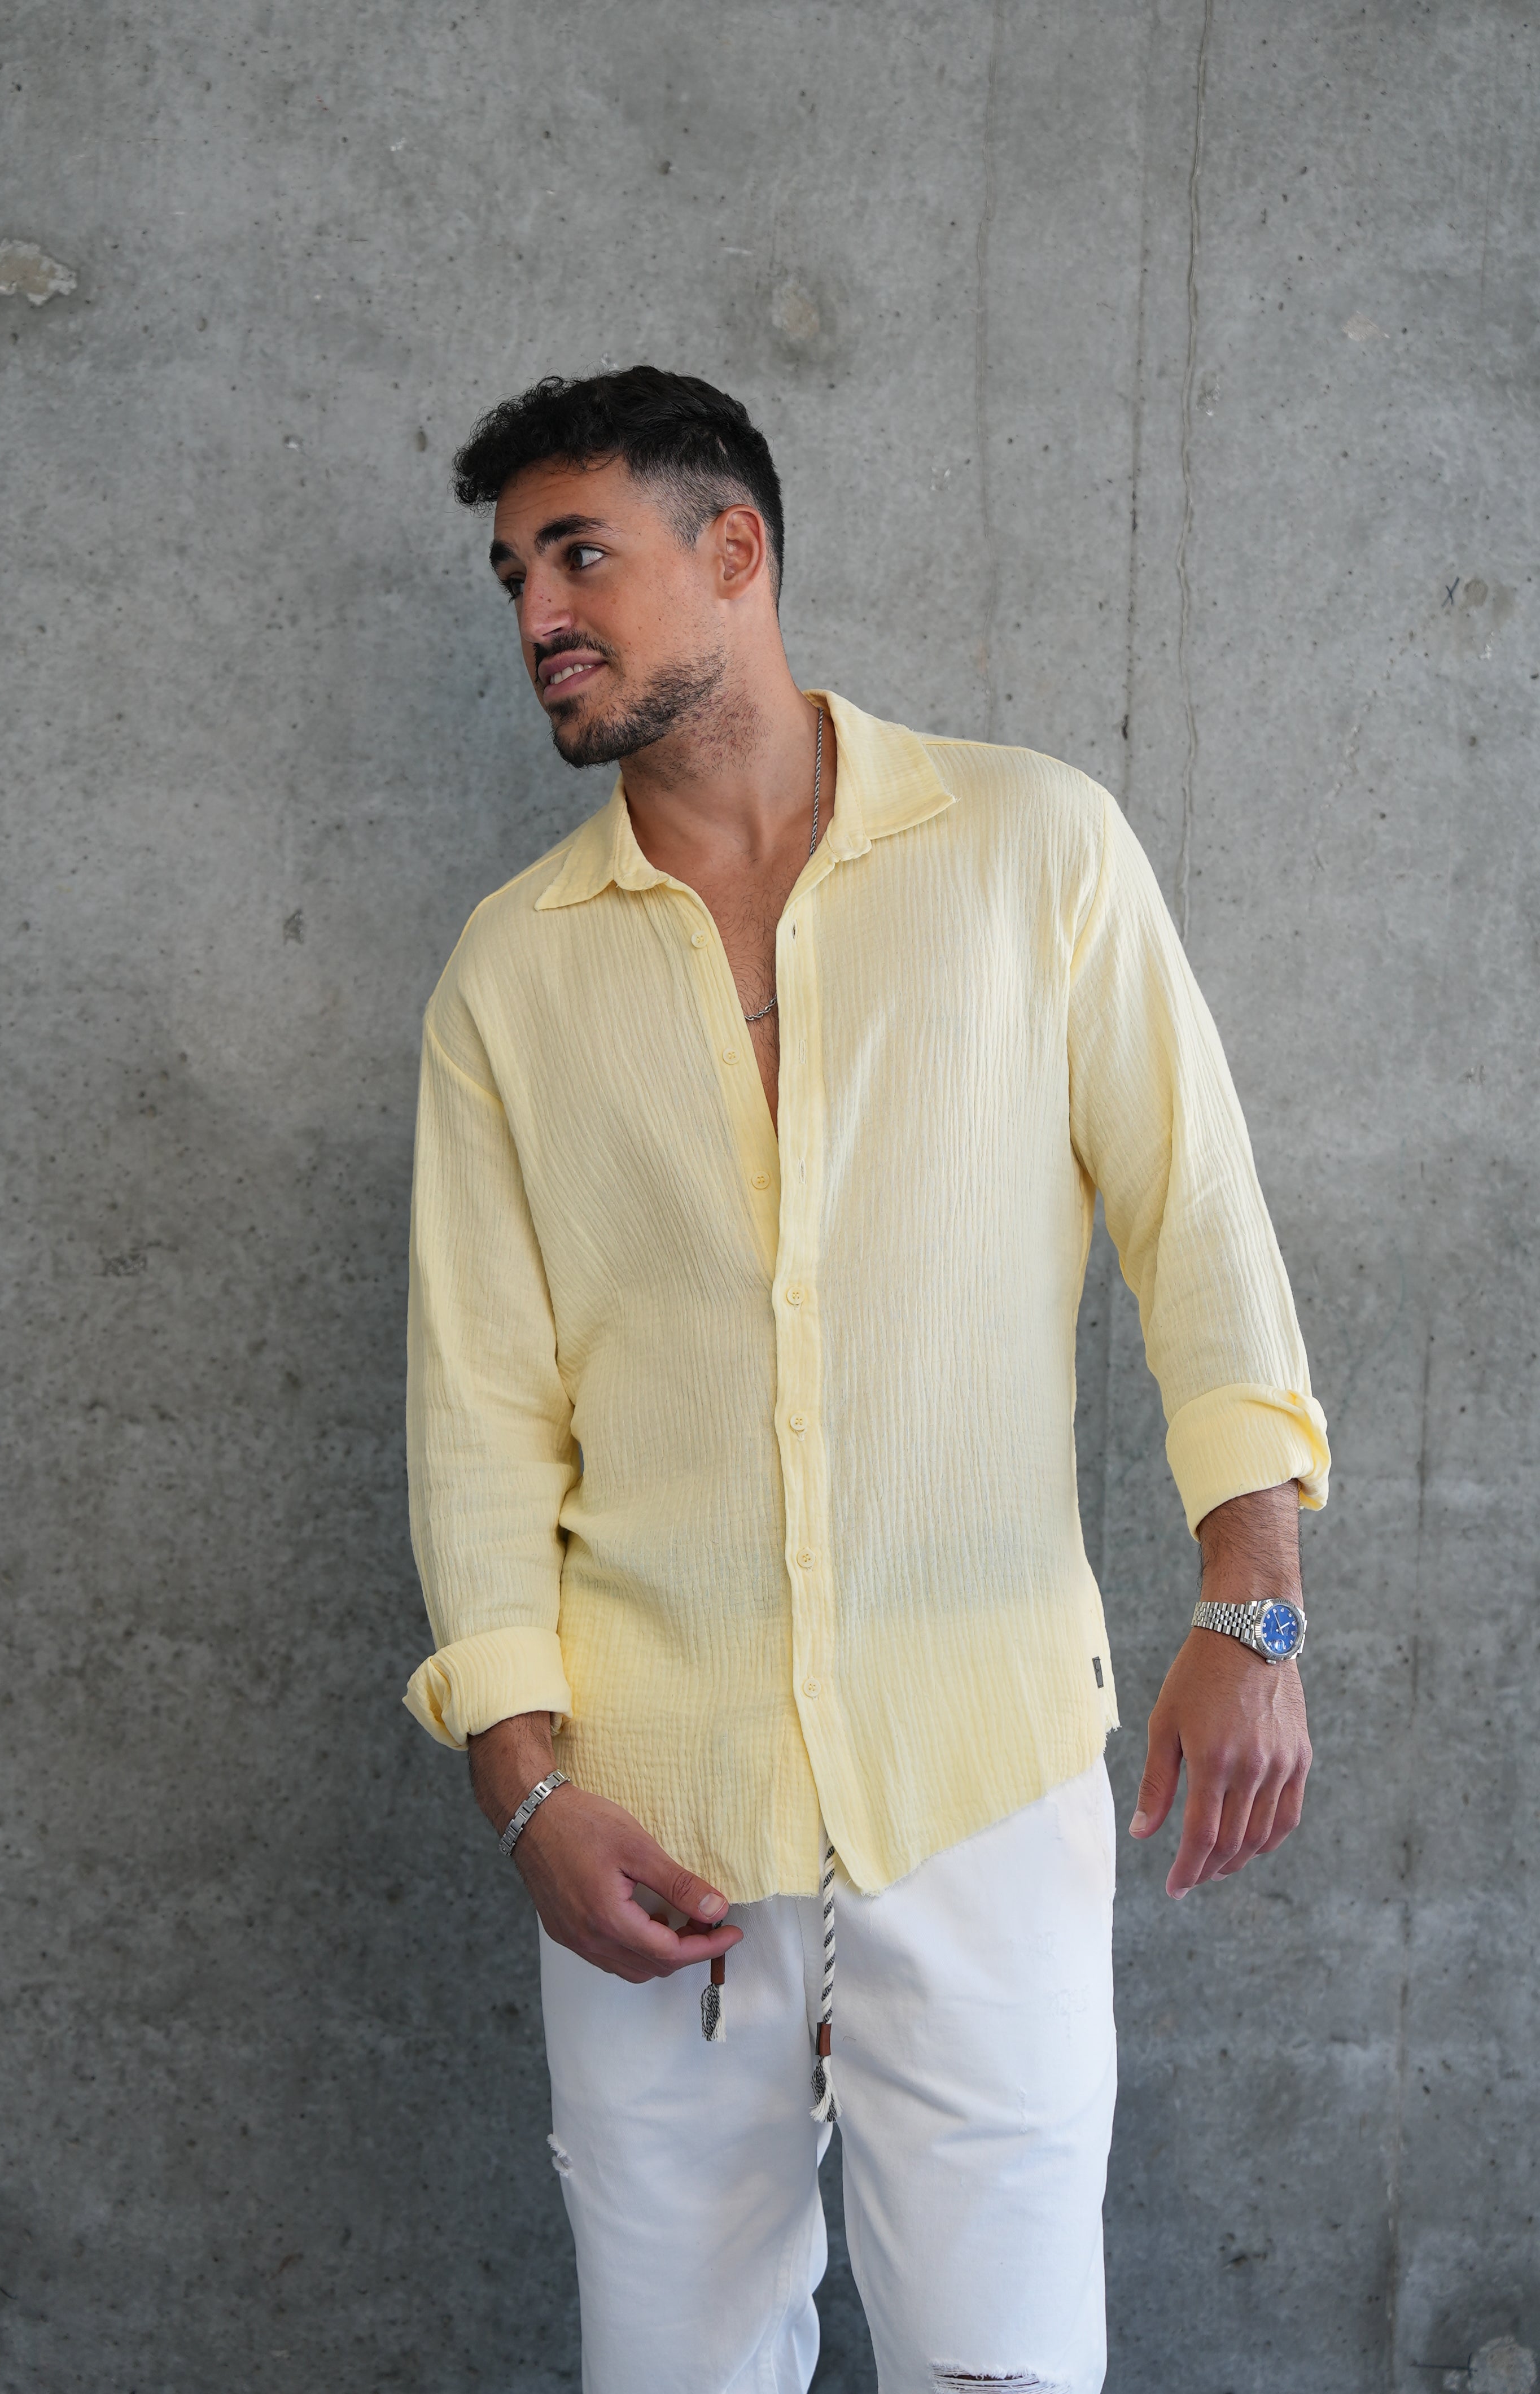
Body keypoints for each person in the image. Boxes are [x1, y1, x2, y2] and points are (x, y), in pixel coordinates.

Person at [402, 365, 1327, 2394]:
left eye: (581, 556)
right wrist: (526, 1787)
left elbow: (1199, 1225)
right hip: (651, 1817)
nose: (538, 614)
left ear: (734, 550)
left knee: (1008, 2368)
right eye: (514, 576)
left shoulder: (1034, 848)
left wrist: (1250, 1604)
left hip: (982, 1777)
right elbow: (478, 1414)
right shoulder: (510, 973)